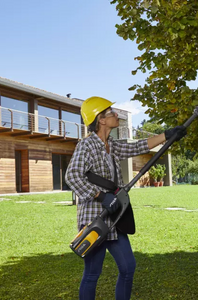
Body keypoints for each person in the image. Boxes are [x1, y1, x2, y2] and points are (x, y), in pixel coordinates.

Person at [65, 96, 186, 300]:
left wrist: (168, 134)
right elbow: (72, 176)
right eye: (111, 112)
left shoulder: (112, 145)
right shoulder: (86, 146)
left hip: (115, 219)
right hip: (95, 221)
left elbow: (139, 146)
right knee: (92, 274)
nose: (116, 115)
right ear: (100, 120)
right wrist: (100, 196)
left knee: (128, 267)